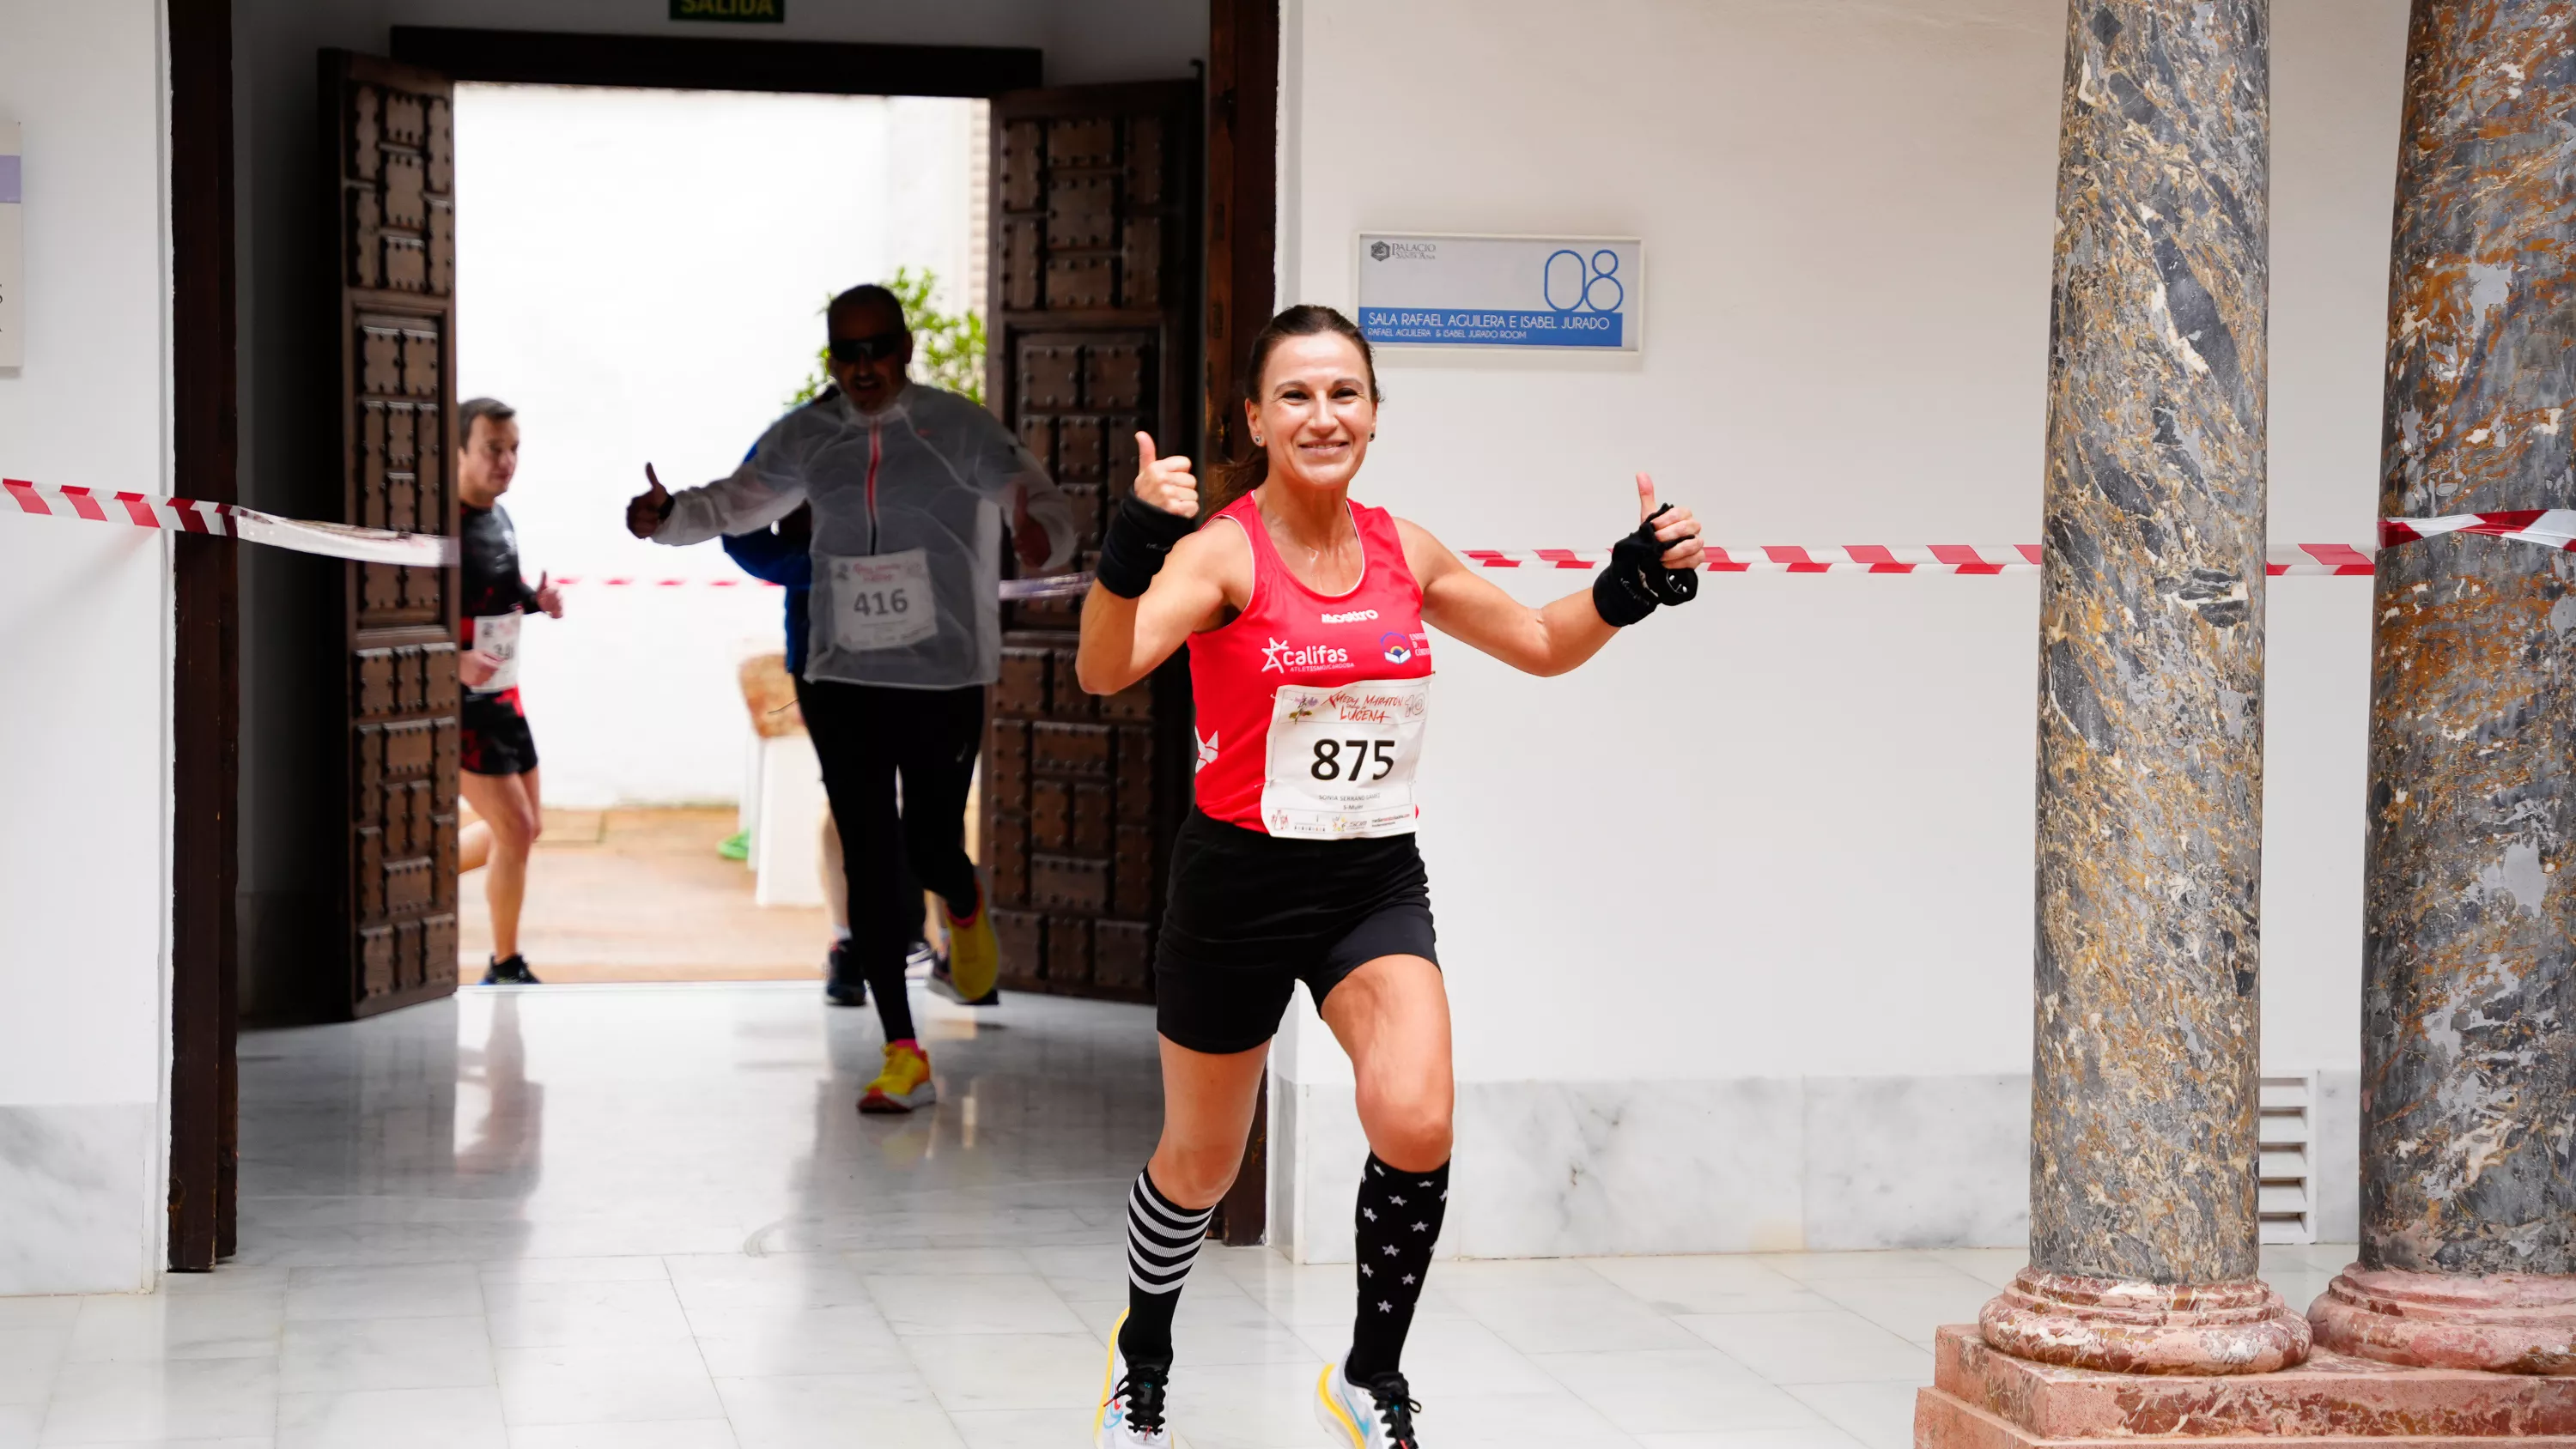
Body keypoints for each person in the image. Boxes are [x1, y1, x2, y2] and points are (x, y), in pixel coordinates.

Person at [1075, 306, 1703, 1449]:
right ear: (1257, 419)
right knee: (1203, 1162)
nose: (1325, 415)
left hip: (1369, 880)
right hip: (1236, 885)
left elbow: (1542, 641)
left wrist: (1626, 585)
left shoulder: (1403, 549)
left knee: (1415, 1116)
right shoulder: (1222, 551)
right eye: (1299, 396)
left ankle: (1370, 1375)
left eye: (1346, 394)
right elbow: (1106, 666)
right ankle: (1145, 1354)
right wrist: (1124, 560)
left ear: (1374, 415)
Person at [627, 283, 1077, 1113]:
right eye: (848, 352)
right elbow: (734, 501)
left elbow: (1038, 500)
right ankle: (902, 1049)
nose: (865, 367)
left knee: (933, 844)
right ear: (833, 359)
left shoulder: (957, 428)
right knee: (872, 855)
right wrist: (668, 517)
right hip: (841, 675)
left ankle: (966, 902)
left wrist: (1042, 538)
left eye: (878, 348)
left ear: (905, 348)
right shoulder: (808, 434)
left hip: (943, 673)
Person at [722, 495, 969, 1006]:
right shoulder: (801, 440)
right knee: (850, 797)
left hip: (927, 639)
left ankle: (956, 950)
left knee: (935, 798)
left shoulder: (933, 432)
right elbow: (738, 526)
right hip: (829, 646)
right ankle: (849, 943)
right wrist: (816, 569)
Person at [453, 397, 566, 986]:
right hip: (461, 707)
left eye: (514, 448)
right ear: (459, 451)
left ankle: (421, 872)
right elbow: (399, 613)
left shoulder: (499, 516)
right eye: (493, 449)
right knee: (515, 829)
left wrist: (533, 601)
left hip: (504, 694)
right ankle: (503, 963)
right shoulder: (434, 526)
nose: (507, 461)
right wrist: (453, 659)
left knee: (526, 828)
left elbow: (497, 589)